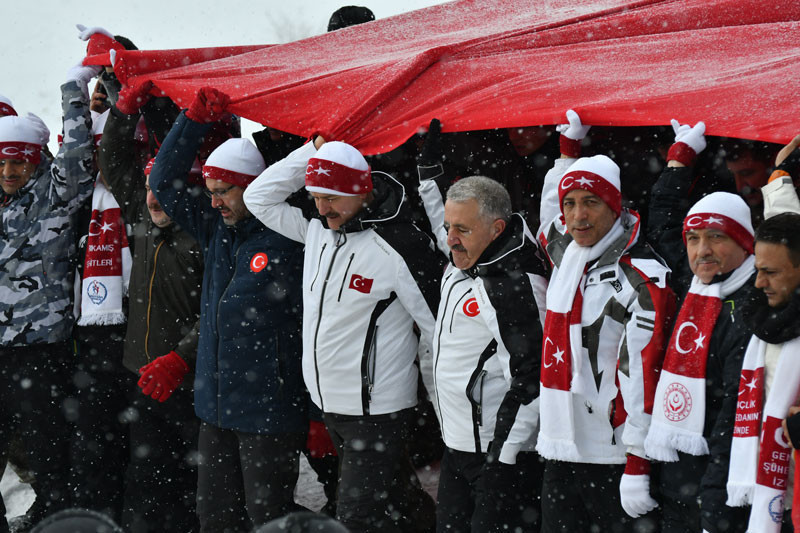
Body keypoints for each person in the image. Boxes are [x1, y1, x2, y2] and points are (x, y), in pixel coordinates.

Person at [243, 133, 442, 533]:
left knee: (356, 517)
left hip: (377, 411)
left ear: (361, 190)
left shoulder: (399, 244)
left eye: (331, 197)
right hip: (330, 403)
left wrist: (444, 404)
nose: (321, 208)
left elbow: (439, 327)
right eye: (315, 196)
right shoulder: (318, 232)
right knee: (398, 500)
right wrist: (312, 151)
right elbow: (257, 197)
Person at [149, 87, 307, 532]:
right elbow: (163, 181)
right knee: (215, 518)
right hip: (215, 408)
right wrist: (191, 120)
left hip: (269, 409)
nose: (214, 201)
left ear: (255, 188)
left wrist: (313, 413)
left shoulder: (289, 236)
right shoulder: (216, 230)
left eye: (224, 192)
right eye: (211, 191)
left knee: (268, 518)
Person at [535, 110, 676, 532]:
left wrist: (637, 462)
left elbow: (643, 375)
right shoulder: (569, 254)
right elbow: (547, 219)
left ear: (615, 207)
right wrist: (567, 153)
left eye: (591, 203)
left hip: (613, 459)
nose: (577, 216)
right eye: (571, 204)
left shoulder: (643, 276)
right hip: (560, 445)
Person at [416, 121, 547, 531]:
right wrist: (428, 166)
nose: (451, 239)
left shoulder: (512, 286)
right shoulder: (467, 258)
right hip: (458, 446)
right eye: (449, 228)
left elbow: (533, 376)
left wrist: (501, 459)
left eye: (462, 230)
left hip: (500, 456)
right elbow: (442, 215)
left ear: (497, 230)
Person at [0, 45, 100, 528]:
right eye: (1, 162)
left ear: (37, 158)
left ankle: (55, 523)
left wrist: (73, 89)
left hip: (42, 353)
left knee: (50, 455)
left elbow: (79, 156)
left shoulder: (56, 194)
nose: (9, 171)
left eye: (19, 161)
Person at [99, 75, 204, 532]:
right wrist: (123, 111)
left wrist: (181, 358)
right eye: (148, 187)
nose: (152, 198)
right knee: (145, 483)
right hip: (142, 376)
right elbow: (114, 159)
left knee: (197, 487)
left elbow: (217, 309)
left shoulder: (204, 230)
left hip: (191, 383)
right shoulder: (142, 215)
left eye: (162, 189)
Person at [644, 119, 757, 532]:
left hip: (723, 491)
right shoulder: (694, 284)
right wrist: (679, 160)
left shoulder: (753, 309)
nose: (701, 250)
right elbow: (662, 223)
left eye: (716, 237)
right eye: (693, 239)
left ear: (745, 244)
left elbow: (733, 420)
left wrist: (714, 507)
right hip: (678, 484)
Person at [727, 211, 800, 533]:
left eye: (770, 272)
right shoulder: (760, 322)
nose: (758, 283)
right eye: (758, 271)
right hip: (770, 502)